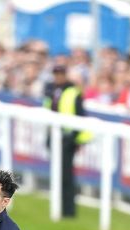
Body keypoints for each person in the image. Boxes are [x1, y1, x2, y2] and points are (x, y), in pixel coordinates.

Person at [44, 64, 93, 218]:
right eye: (55, 73)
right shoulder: (52, 90)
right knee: (58, 174)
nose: (57, 77)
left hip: (67, 139)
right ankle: (59, 206)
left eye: (60, 73)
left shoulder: (73, 92)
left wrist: (74, 139)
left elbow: (80, 117)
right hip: (55, 136)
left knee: (66, 176)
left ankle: (69, 211)